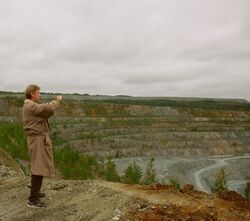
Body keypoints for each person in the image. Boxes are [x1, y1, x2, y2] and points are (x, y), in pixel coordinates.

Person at [22, 84, 62, 208]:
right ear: (32, 93)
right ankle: (32, 199)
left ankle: (36, 193)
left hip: (38, 139)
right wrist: (57, 100)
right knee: (38, 168)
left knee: (40, 167)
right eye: (38, 93)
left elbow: (44, 110)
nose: (40, 95)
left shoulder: (30, 104)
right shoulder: (30, 105)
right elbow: (48, 109)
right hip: (37, 140)